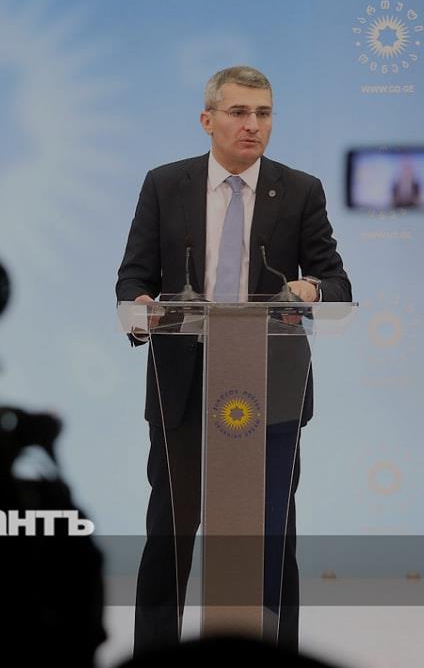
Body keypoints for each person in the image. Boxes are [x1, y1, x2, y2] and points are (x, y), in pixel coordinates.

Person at [116, 66, 352, 655]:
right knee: (170, 533)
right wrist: (140, 306)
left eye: (263, 114)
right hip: (183, 387)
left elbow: (337, 282)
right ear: (208, 119)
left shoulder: (300, 190)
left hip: (270, 389)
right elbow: (133, 278)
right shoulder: (165, 184)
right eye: (239, 112)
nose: (253, 125)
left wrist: (312, 289)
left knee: (271, 534)